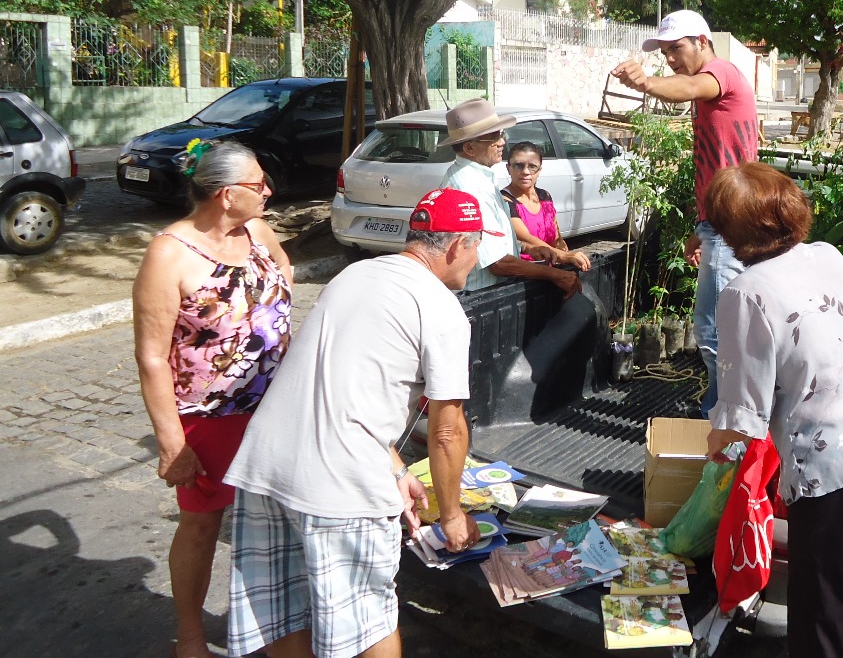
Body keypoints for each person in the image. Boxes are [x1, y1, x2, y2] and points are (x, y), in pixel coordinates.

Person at [223, 188, 489, 658]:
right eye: (476, 246)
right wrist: (451, 515)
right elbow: (448, 430)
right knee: (369, 621)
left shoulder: (355, 274)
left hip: (265, 466)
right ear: (455, 247)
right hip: (337, 487)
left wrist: (399, 471)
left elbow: (344, 389)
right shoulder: (442, 308)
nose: (476, 258)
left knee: (284, 606)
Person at [703, 162, 843, 658]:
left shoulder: (746, 291)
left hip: (833, 475)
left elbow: (742, 412)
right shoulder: (827, 254)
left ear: (728, 230)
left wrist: (713, 448)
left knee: (822, 624)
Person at [132, 140, 292, 658]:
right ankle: (192, 635)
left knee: (278, 522)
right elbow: (154, 356)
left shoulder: (258, 231)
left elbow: (285, 272)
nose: (268, 191)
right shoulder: (169, 253)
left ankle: (280, 629)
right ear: (226, 195)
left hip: (276, 408)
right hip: (210, 418)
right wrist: (171, 443)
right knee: (203, 524)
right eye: (258, 184)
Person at [611, 9, 758, 413]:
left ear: (702, 42)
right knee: (719, 332)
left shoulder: (721, 73)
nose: (671, 57)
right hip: (719, 223)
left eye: (677, 48)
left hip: (732, 223)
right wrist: (700, 229)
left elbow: (689, 85)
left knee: (714, 334)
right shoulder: (708, 87)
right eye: (664, 52)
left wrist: (647, 81)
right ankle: (721, 413)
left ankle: (722, 419)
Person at [439, 97, 582, 298]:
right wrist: (555, 275)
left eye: (501, 133)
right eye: (494, 136)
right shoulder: (471, 188)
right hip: (478, 298)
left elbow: (494, 244)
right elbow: (497, 263)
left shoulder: (478, 178)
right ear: (470, 148)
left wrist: (529, 249)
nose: (502, 142)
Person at [501, 140, 592, 272]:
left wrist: (566, 261)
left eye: (532, 166)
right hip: (525, 273)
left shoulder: (544, 196)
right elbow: (527, 239)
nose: (526, 171)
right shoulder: (505, 201)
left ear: (539, 170)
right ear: (508, 168)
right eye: (518, 165)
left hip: (551, 268)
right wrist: (566, 256)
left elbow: (557, 238)